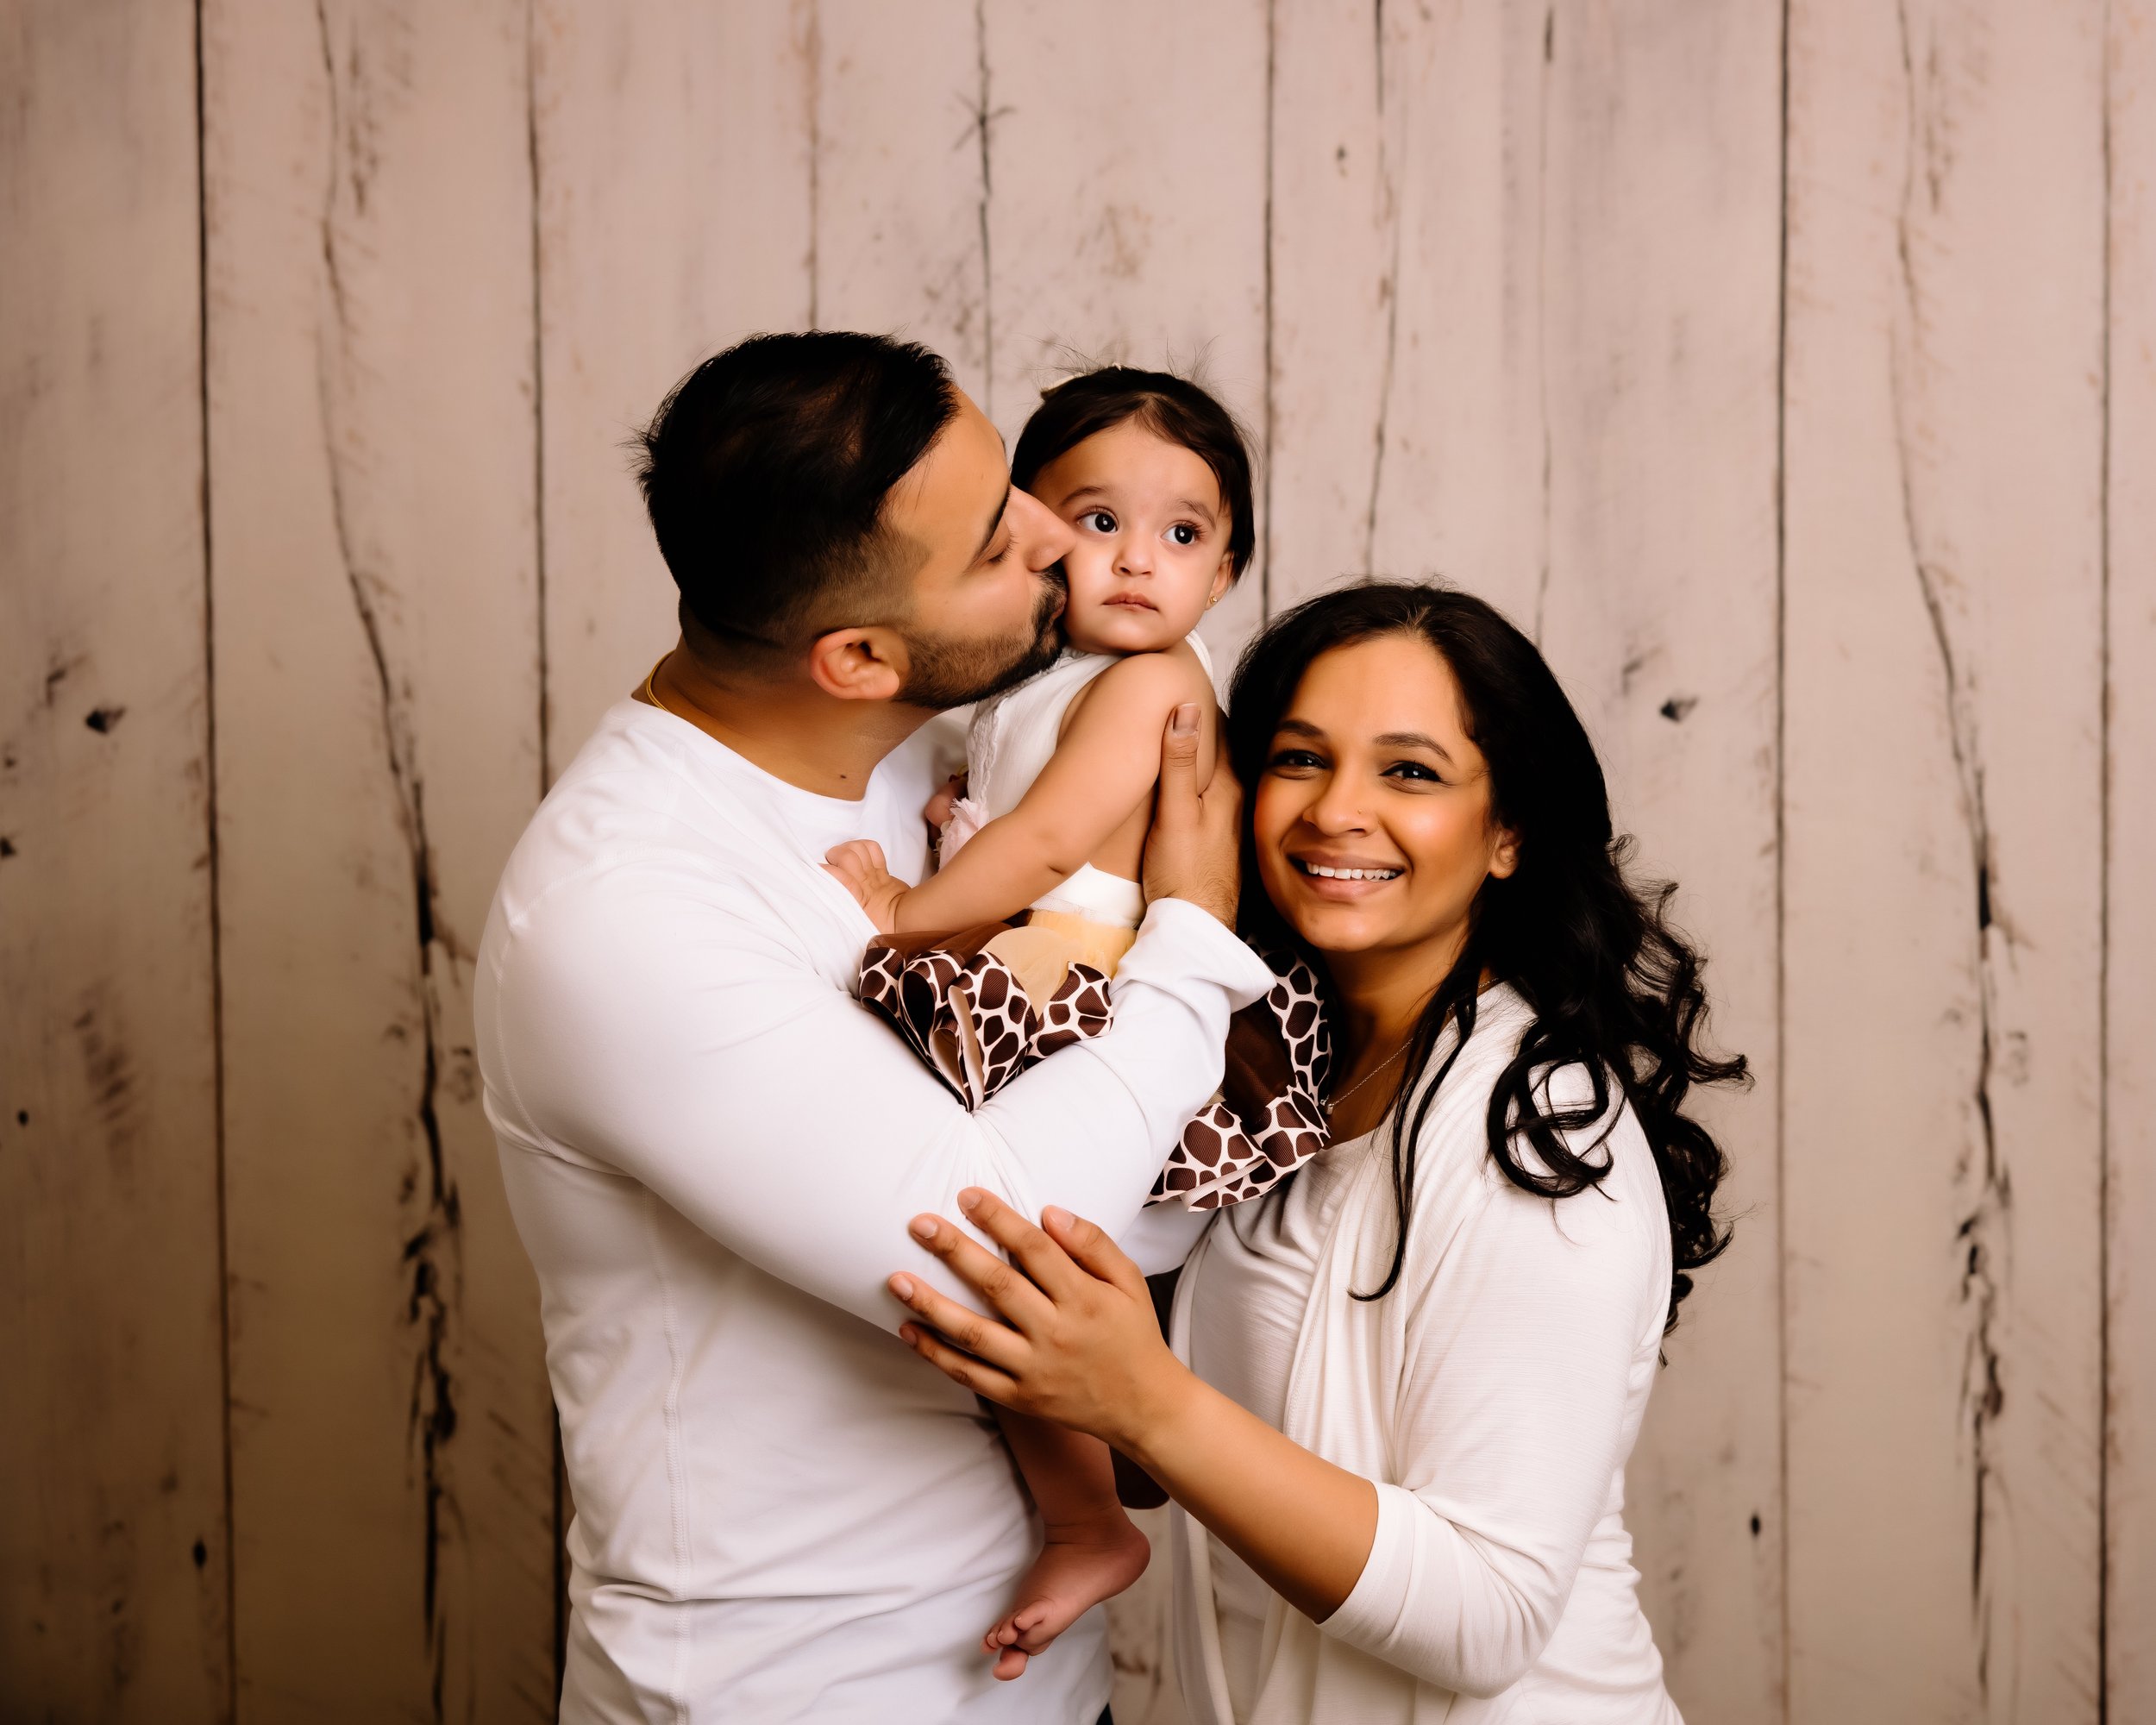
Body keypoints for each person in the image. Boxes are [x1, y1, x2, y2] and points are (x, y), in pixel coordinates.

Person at [473, 331, 1274, 1724]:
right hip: (792, 1688)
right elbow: (993, 1252)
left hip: (1031, 1669)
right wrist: (1196, 943)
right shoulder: (626, 911)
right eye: (993, 540)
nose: (1049, 534)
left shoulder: (935, 741)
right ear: (852, 656)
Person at [884, 582, 1746, 1722]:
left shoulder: (1537, 1132)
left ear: (1509, 834)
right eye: (1300, 757)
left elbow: (1490, 1614)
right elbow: (1197, 1464)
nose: (1337, 812)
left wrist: (1143, 1399)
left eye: (1411, 772)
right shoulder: (1280, 1076)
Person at [827, 367, 1310, 1681]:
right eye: (1098, 521)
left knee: (1022, 1276)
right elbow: (1018, 804)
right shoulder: (1053, 678)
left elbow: (1045, 847)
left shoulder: (1156, 682)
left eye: (1184, 534)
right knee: (1015, 1289)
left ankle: (1091, 1516)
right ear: (1034, 533)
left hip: (1082, 999)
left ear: (1226, 570)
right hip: (1052, 978)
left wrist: (908, 913)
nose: (1139, 562)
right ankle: (1090, 1506)